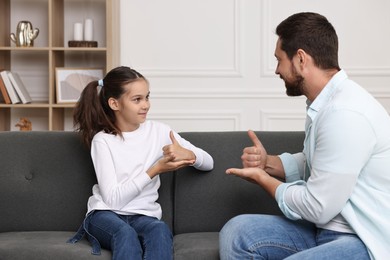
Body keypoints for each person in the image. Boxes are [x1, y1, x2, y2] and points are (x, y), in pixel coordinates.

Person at [219, 12, 390, 260]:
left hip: (364, 238)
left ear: (300, 59)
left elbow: (317, 207)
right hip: (327, 229)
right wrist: (268, 163)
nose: (277, 69)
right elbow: (325, 163)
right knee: (238, 232)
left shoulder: (344, 113)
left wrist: (264, 180)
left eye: (279, 60)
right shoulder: (326, 102)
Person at [68, 66, 214, 259]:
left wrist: (187, 153)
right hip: (104, 215)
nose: (146, 105)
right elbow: (114, 200)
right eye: (137, 99)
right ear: (114, 103)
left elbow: (209, 162)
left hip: (144, 216)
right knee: (125, 234)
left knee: (160, 230)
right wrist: (155, 169)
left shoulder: (159, 131)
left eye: (147, 97)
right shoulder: (103, 141)